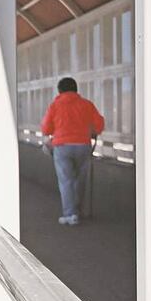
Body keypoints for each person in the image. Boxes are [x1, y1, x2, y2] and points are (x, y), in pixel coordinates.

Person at [40, 77, 104, 226]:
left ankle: (70, 214)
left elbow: (46, 129)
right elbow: (99, 125)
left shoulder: (55, 106)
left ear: (60, 91)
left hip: (62, 147)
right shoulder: (87, 105)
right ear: (76, 89)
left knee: (66, 181)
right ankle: (78, 210)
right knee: (80, 180)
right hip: (83, 145)